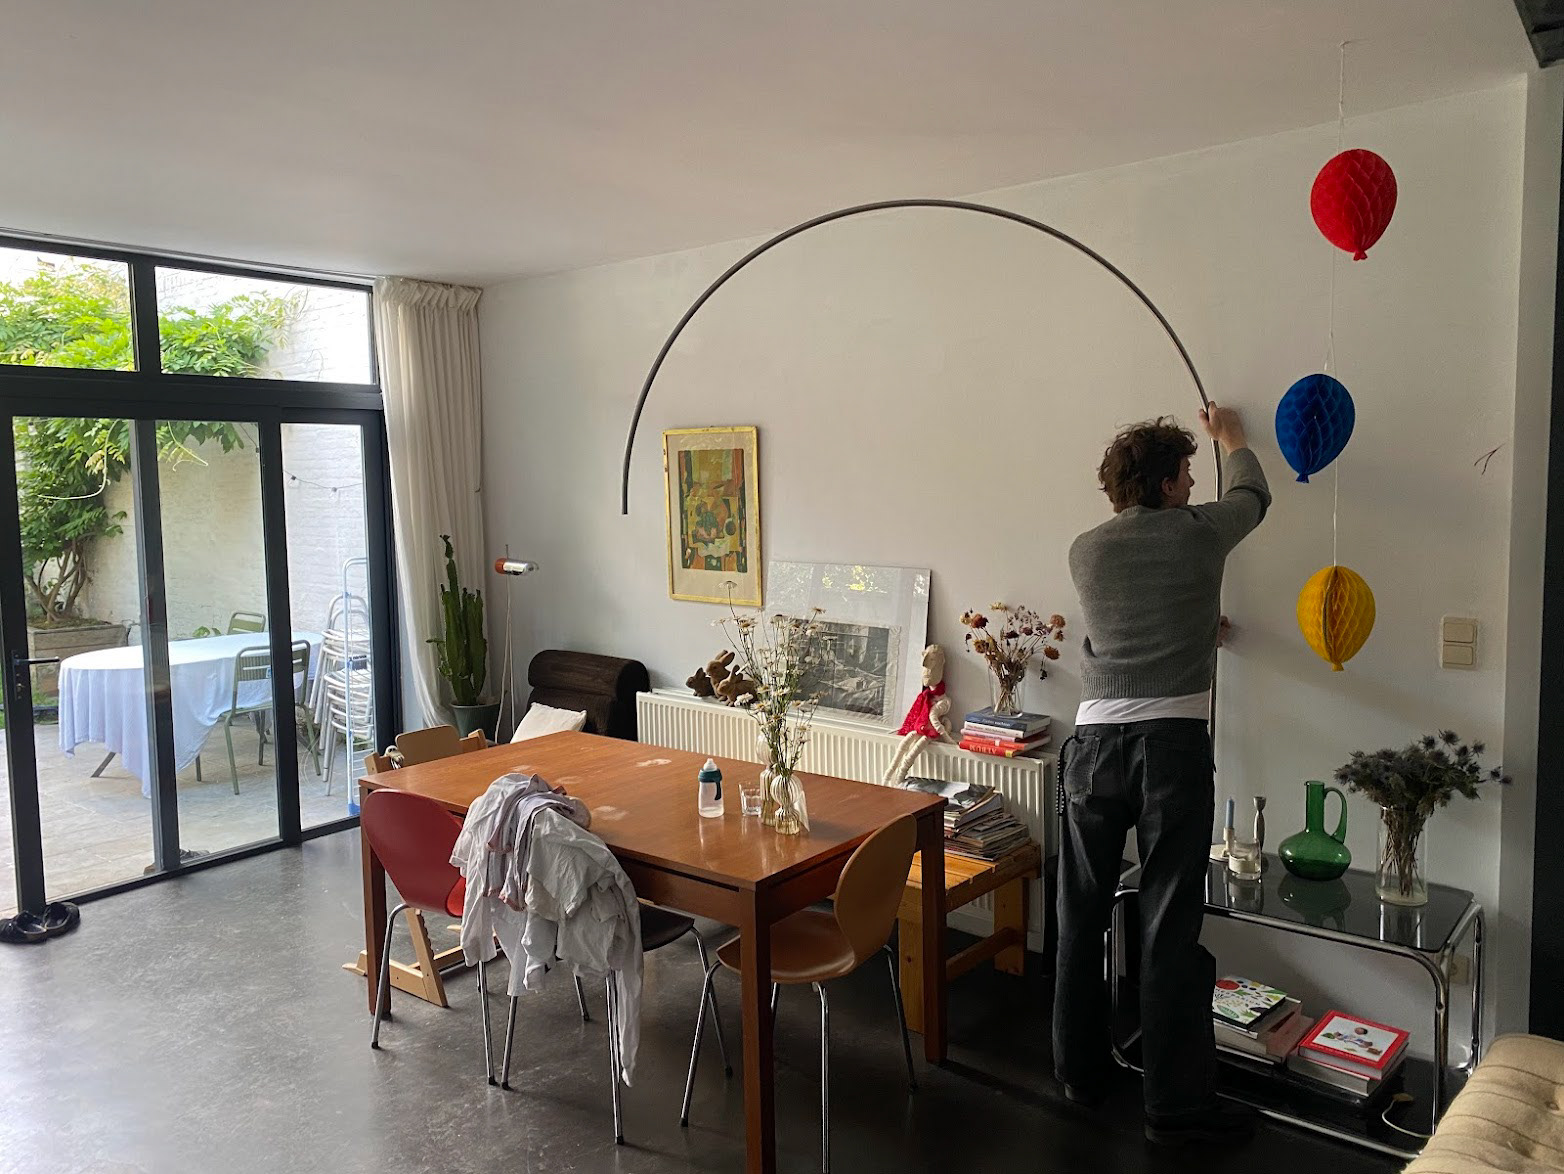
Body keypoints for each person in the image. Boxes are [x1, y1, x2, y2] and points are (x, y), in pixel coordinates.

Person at [1053, 404, 1270, 1145]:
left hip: (1091, 747)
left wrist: (1199, 629)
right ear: (1169, 484)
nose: (1191, 483)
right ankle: (1173, 1107)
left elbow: (1124, 627)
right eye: (1185, 472)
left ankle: (1080, 1074)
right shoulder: (1198, 533)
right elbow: (1253, 497)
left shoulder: (1085, 550)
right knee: (1167, 924)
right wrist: (1232, 440)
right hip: (1170, 749)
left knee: (1080, 916)